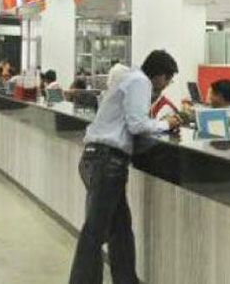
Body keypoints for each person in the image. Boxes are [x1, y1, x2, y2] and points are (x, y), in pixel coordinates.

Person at [69, 50, 181, 284]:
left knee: (120, 230)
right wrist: (165, 124)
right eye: (168, 80)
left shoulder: (128, 77)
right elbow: (137, 124)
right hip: (108, 162)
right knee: (94, 232)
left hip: (97, 159)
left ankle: (126, 279)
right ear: (160, 75)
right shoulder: (140, 82)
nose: (166, 85)